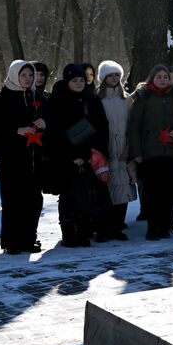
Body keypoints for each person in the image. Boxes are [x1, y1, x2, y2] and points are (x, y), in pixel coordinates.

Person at [43, 63, 109, 246]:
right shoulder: (57, 101)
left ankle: (84, 232)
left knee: (87, 195)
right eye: (75, 80)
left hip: (89, 156)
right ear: (67, 81)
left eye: (81, 79)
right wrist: (73, 154)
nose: (79, 83)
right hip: (65, 158)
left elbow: (101, 128)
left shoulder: (92, 99)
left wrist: (89, 153)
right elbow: (54, 132)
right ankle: (69, 234)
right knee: (68, 198)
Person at [0, 60, 46, 254]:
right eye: (23, 75)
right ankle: (12, 242)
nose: (27, 79)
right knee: (13, 200)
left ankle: (29, 238)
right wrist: (15, 130)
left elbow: (50, 118)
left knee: (34, 199)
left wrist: (45, 122)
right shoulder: (2, 98)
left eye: (30, 75)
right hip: (10, 157)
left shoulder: (36, 96)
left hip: (34, 156)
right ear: (14, 76)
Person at [128, 64, 173, 240]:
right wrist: (136, 151)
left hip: (172, 151)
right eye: (159, 77)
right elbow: (134, 125)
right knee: (152, 192)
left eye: (165, 77)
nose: (162, 80)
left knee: (170, 190)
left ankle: (166, 224)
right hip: (150, 151)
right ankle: (153, 227)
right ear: (152, 78)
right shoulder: (143, 97)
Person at [94, 61, 135, 240]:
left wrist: (129, 146)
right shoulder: (96, 99)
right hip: (105, 148)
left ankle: (118, 225)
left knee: (123, 187)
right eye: (110, 75)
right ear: (103, 78)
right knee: (105, 187)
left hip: (123, 149)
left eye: (117, 75)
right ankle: (104, 226)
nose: (114, 78)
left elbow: (133, 124)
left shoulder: (126, 99)